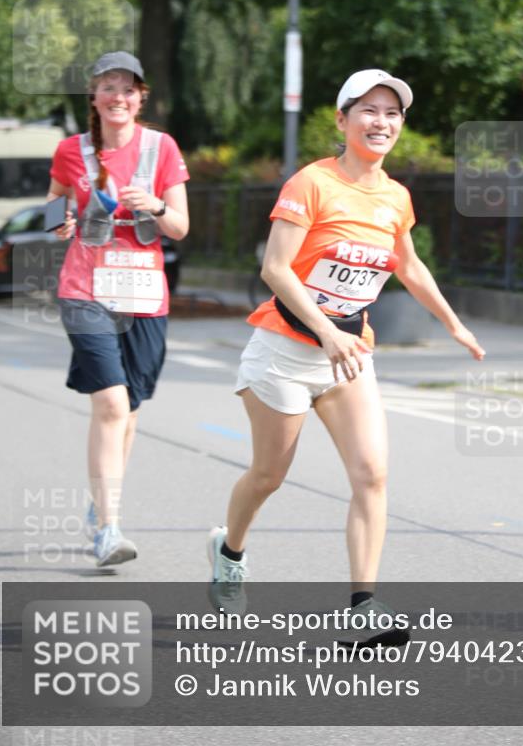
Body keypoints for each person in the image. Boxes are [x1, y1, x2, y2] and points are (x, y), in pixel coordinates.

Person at [207, 68, 485, 635]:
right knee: (267, 475)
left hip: (350, 357)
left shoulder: (396, 197)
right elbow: (275, 268)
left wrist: (453, 323)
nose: (381, 122)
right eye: (369, 110)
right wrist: (327, 333)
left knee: (371, 476)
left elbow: (408, 266)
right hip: (285, 351)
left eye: (393, 114)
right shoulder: (310, 183)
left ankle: (363, 606)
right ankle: (229, 554)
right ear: (342, 119)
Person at [48, 51, 189, 568]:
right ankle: (109, 529)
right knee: (109, 405)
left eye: (127, 88)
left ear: (140, 98)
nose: (118, 97)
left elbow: (180, 227)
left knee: (129, 409)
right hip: (85, 288)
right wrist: (60, 220)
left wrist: (153, 205)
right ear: (94, 97)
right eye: (107, 87)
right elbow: (53, 205)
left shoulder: (162, 147)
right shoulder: (71, 151)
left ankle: (98, 503)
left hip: (144, 294)